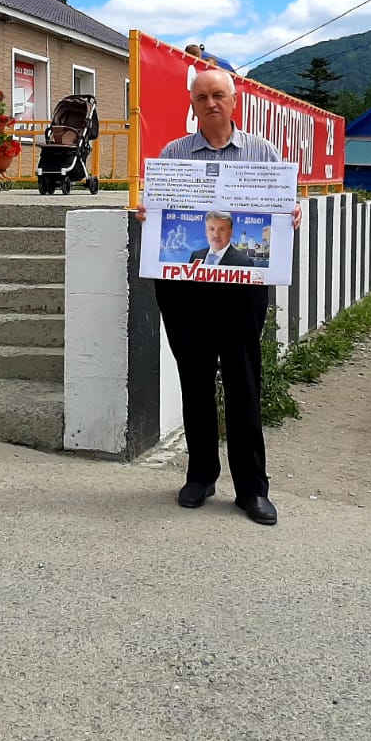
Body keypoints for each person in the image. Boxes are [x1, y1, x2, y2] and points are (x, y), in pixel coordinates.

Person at [137, 67, 300, 526]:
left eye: (218, 95)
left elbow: (282, 209)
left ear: (234, 100)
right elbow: (158, 214)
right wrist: (148, 212)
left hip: (241, 293)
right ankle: (201, 475)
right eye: (202, 97)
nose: (210, 103)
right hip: (185, 291)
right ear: (192, 104)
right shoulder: (174, 154)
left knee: (243, 383)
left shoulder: (262, 153)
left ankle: (253, 489)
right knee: (194, 381)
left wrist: (293, 211)